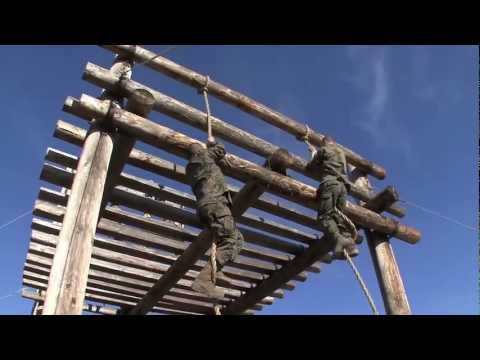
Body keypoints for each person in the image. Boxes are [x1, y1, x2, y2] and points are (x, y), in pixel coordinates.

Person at [186, 140, 244, 299]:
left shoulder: (191, 168)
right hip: (215, 206)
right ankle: (203, 281)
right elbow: (220, 150)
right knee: (231, 240)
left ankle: (215, 270)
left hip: (207, 207)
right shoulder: (202, 157)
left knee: (237, 238)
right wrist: (213, 143)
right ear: (199, 151)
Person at [306, 135, 359, 260]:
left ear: (324, 143)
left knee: (325, 216)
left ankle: (339, 240)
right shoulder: (341, 152)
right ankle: (350, 245)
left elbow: (311, 166)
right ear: (333, 142)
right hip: (343, 187)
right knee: (339, 216)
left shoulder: (323, 150)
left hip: (330, 184)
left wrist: (313, 152)